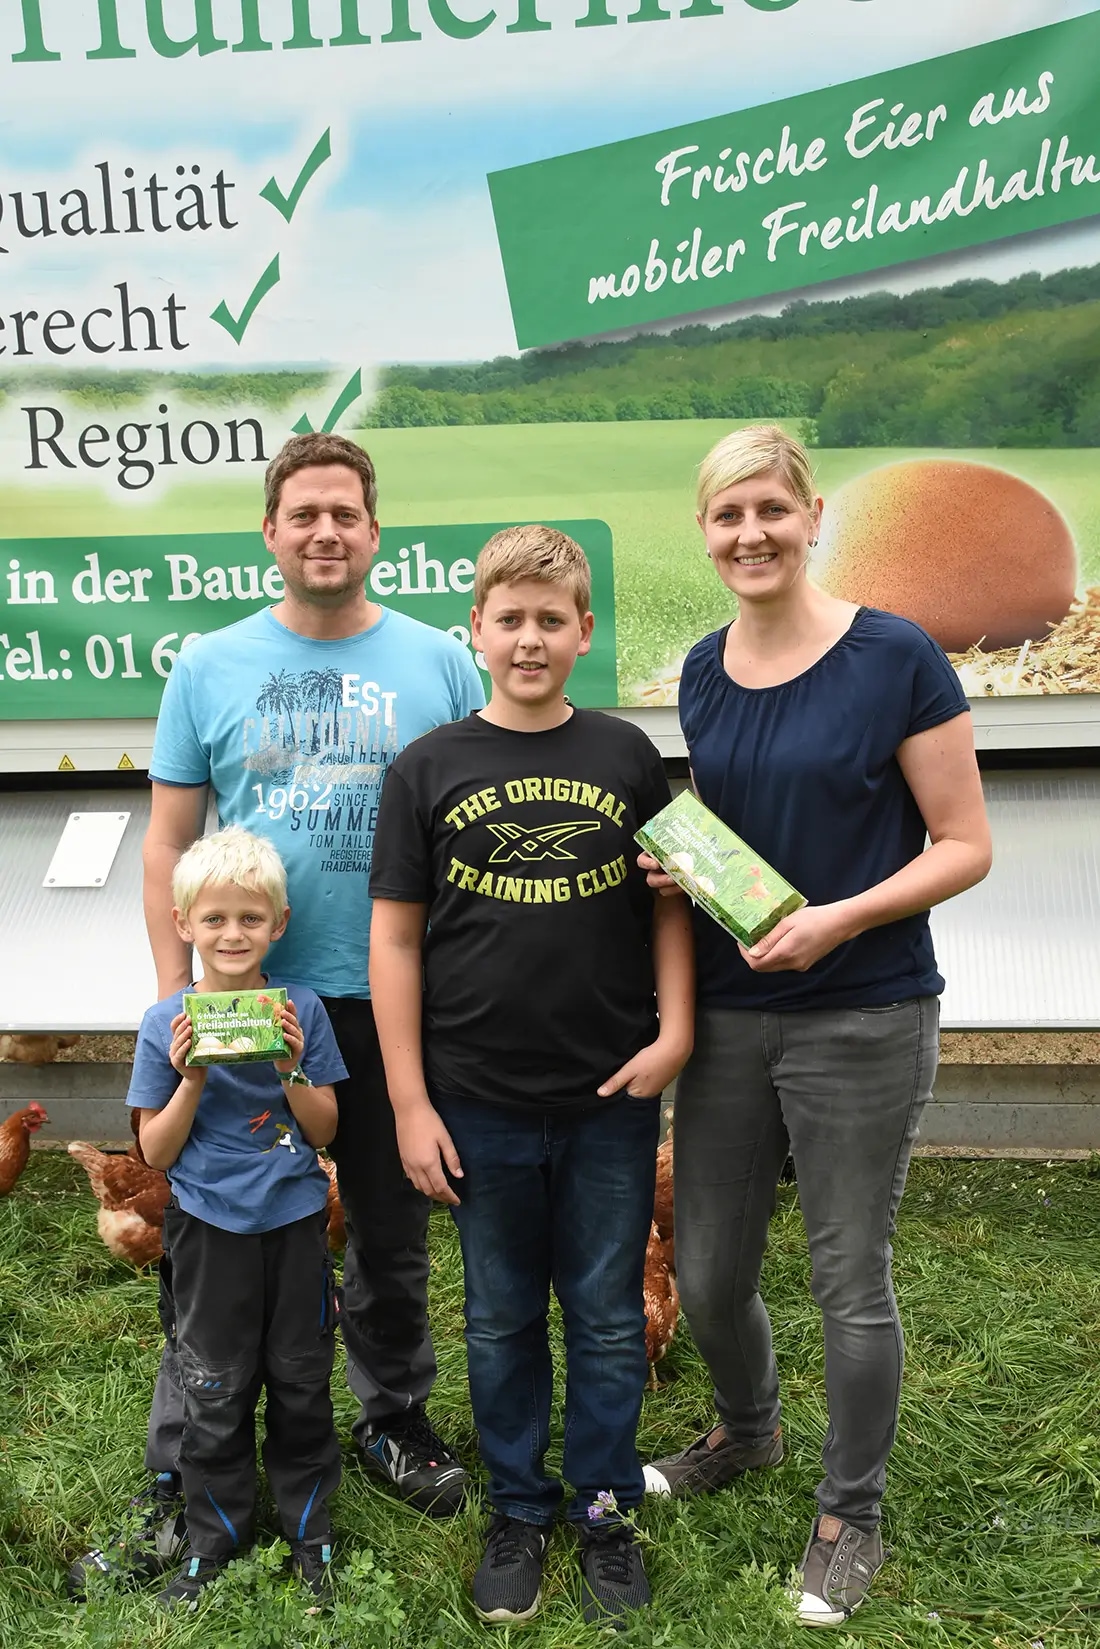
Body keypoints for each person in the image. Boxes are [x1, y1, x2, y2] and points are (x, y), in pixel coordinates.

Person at [70, 432, 484, 1597]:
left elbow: (467, 820)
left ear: (375, 530)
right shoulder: (209, 664)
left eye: (345, 512)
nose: (325, 531)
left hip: (388, 994)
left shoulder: (438, 662)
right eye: (303, 513)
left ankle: (390, 1418)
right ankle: (182, 1460)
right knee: (207, 1233)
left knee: (388, 1224)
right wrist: (179, 998)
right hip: (245, 1005)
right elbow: (167, 839)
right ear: (270, 531)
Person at [641, 426, 992, 1627]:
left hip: (864, 1009)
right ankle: (747, 1430)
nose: (749, 533)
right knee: (705, 1269)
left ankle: (851, 1511)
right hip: (734, 1013)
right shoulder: (701, 668)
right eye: (726, 514)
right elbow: (734, 826)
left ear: (810, 515)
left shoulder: (893, 656)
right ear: (705, 531)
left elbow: (963, 843)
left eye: (769, 510)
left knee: (848, 1273)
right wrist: (681, 868)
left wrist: (836, 920)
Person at [368, 525, 695, 1628]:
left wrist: (676, 1032)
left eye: (551, 619)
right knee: (501, 1316)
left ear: (584, 631)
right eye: (508, 618)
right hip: (476, 1100)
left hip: (611, 1094)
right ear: (475, 629)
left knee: (604, 1315)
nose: (528, 638)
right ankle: (517, 1506)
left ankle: (601, 1507)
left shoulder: (627, 756)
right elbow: (395, 942)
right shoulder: (426, 769)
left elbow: (670, 901)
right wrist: (409, 1100)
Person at [127, 827, 346, 1608]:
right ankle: (213, 1542)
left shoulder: (300, 1010)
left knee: (301, 1379)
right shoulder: (165, 1022)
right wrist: (189, 1078)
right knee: (213, 1387)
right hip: (207, 1230)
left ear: (278, 924)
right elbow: (155, 1151)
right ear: (184, 922)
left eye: (250, 918)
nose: (232, 934)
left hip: (293, 1225)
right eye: (214, 918)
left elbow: (324, 1130)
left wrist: (290, 1066)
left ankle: (311, 1536)